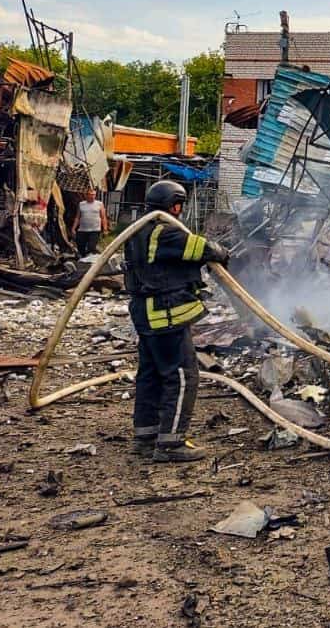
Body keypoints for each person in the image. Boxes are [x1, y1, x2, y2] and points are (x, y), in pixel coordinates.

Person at [124, 180, 229, 463]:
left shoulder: (137, 231)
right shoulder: (165, 232)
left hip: (146, 315)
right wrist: (221, 251)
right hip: (166, 315)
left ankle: (145, 436)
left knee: (151, 375)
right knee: (182, 376)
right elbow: (204, 249)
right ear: (175, 204)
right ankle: (171, 444)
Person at [71, 187, 108, 257]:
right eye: (90, 194)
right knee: (80, 246)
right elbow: (77, 217)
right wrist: (73, 228)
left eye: (93, 195)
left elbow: (103, 217)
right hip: (82, 230)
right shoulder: (81, 204)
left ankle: (90, 257)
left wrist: (105, 229)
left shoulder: (99, 204)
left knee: (91, 247)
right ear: (86, 195)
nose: (92, 196)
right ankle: (84, 258)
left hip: (95, 230)